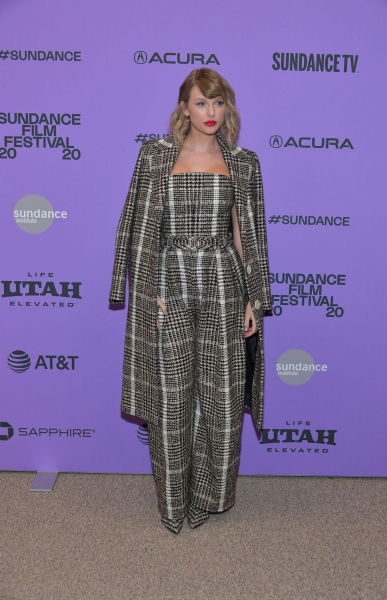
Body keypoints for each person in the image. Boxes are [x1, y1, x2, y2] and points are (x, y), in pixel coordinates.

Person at [109, 68, 271, 533]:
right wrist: (147, 291)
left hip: (224, 282)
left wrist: (253, 299)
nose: (211, 112)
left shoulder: (243, 162)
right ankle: (173, 501)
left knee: (220, 396)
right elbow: (138, 224)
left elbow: (248, 235)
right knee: (171, 397)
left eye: (218, 103)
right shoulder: (155, 155)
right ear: (184, 107)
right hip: (170, 281)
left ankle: (207, 497)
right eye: (201, 103)